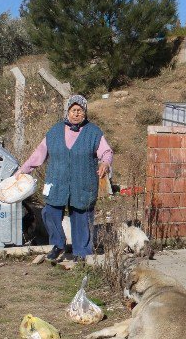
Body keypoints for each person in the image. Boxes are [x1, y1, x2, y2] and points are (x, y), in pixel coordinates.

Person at [16, 95, 113, 262]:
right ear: (67, 112)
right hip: (57, 181)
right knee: (49, 212)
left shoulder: (94, 132)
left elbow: (106, 152)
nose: (76, 114)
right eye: (73, 110)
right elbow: (38, 155)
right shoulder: (54, 132)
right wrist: (22, 171)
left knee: (81, 216)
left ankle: (81, 252)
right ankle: (58, 244)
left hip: (83, 182)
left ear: (85, 112)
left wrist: (105, 163)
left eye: (80, 110)